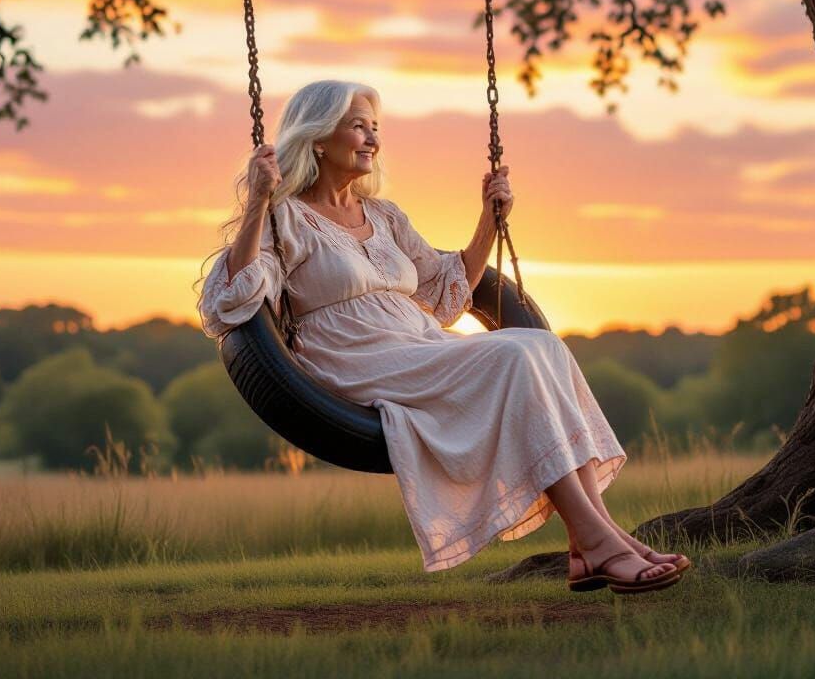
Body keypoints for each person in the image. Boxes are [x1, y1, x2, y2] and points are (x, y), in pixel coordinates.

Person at [197, 80, 691, 592]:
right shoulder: (284, 219)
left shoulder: (384, 216)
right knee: (513, 360)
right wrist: (259, 199)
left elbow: (442, 294)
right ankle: (597, 542)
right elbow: (233, 297)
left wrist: (489, 220)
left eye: (376, 128)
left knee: (542, 346)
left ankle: (597, 538)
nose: (371, 139)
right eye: (358, 126)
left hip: (418, 343)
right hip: (356, 358)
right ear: (318, 138)